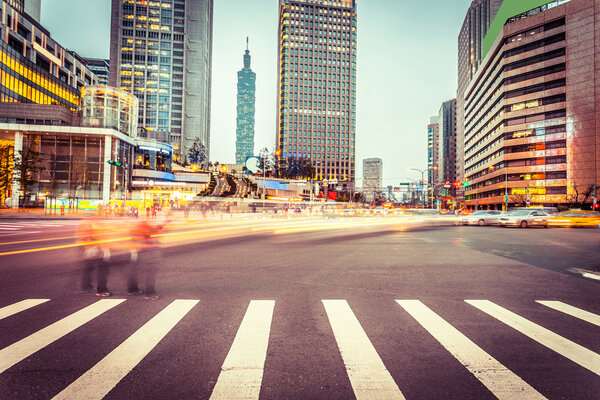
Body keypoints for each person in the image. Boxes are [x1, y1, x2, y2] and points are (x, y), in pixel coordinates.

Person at [129, 219, 165, 300]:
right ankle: (150, 293)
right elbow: (152, 234)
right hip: (148, 251)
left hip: (141, 251)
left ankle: (132, 289)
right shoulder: (145, 226)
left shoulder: (138, 225)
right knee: (150, 273)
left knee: (136, 270)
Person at [79, 216, 111, 296]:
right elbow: (100, 238)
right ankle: (102, 291)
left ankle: (86, 287)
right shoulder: (96, 226)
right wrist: (105, 249)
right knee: (102, 270)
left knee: (88, 268)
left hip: (88, 249)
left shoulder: (85, 224)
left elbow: (84, 237)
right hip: (97, 249)